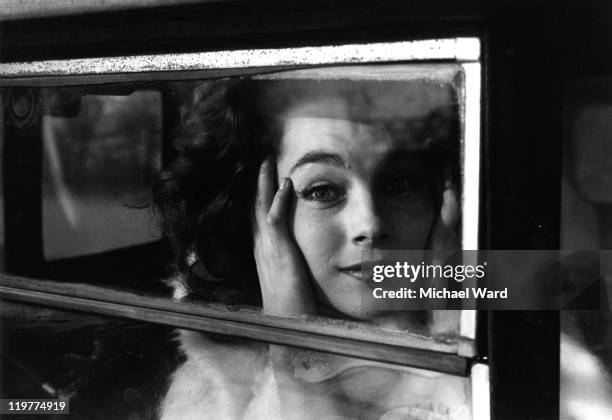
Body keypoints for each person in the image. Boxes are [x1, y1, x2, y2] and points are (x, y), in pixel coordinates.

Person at [154, 70, 471, 419]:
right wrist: (293, 350)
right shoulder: (214, 390)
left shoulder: (500, 283)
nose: (370, 224)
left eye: (399, 183)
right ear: (255, 211)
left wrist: (452, 303)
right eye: (322, 191)